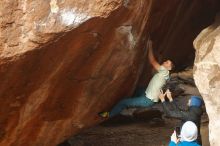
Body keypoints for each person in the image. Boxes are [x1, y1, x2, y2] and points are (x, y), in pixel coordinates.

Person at [98, 39, 174, 118]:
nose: (165, 62)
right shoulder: (164, 74)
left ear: (170, 68)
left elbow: (152, 61)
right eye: (166, 61)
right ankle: (129, 104)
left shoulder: (164, 72)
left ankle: (109, 115)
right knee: (137, 90)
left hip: (147, 100)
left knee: (123, 102)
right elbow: (153, 71)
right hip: (146, 94)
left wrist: (149, 46)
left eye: (167, 62)